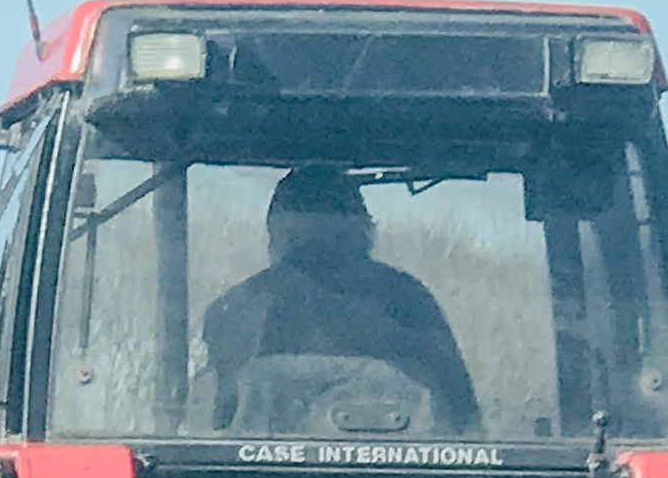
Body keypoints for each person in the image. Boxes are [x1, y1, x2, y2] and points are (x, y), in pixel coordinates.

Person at [202, 168, 480, 433]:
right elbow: (463, 422)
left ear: (277, 234)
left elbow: (211, 424)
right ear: (365, 231)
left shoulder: (236, 307)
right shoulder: (410, 302)